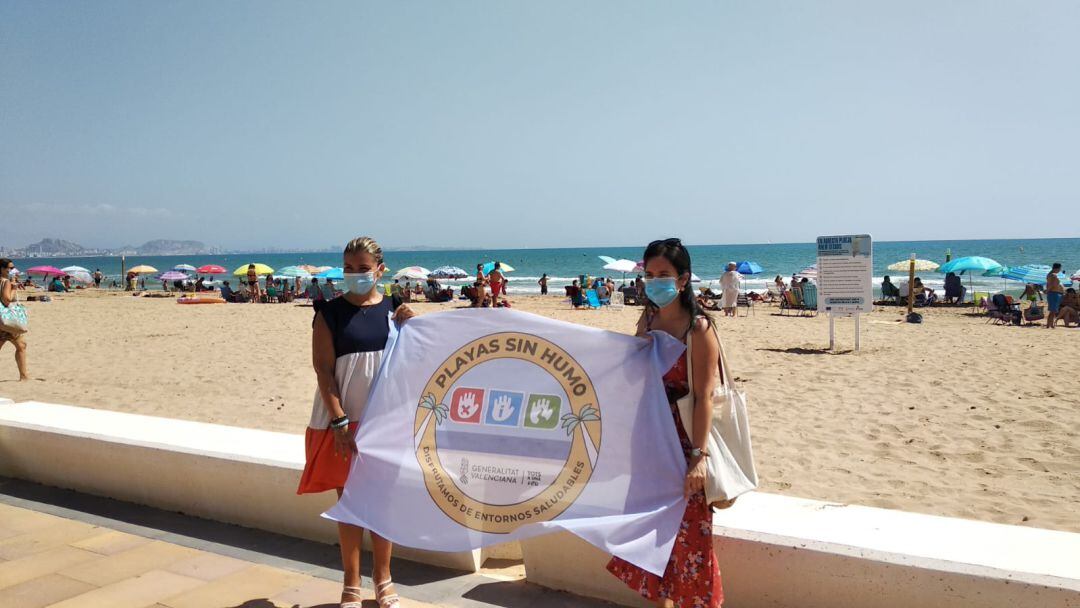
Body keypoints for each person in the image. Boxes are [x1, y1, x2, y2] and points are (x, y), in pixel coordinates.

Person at [607, 238, 723, 608]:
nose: (655, 282)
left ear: (683, 279)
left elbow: (704, 397)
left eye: (664, 275)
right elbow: (633, 376)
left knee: (690, 537)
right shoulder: (649, 319)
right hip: (650, 440)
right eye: (650, 274)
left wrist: (699, 457)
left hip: (685, 439)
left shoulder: (699, 329)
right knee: (651, 538)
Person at [299, 236, 413, 608]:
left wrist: (414, 326)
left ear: (380, 270)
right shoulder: (328, 313)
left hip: (385, 420)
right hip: (343, 421)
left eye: (363, 269)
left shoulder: (395, 308)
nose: (355, 275)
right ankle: (351, 583)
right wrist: (339, 422)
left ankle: (384, 580)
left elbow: (412, 359)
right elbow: (324, 371)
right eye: (349, 268)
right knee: (349, 503)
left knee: (383, 502)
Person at [0, 259, 29, 381]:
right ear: (2, 268)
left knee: (21, 345)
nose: (12, 270)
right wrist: (14, 288)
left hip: (1, 320)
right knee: (21, 346)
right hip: (7, 320)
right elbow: (7, 300)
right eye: (10, 268)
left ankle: (24, 376)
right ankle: (24, 376)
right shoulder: (6, 282)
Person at [1046, 262, 1065, 329]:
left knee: (1053, 310)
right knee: (1053, 310)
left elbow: (1049, 284)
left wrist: (1047, 291)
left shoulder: (1050, 274)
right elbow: (1052, 285)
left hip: (1053, 293)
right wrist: (1047, 291)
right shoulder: (1053, 275)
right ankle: (1050, 325)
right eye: (1060, 268)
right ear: (1058, 268)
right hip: (1054, 293)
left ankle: (1049, 324)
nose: (1060, 270)